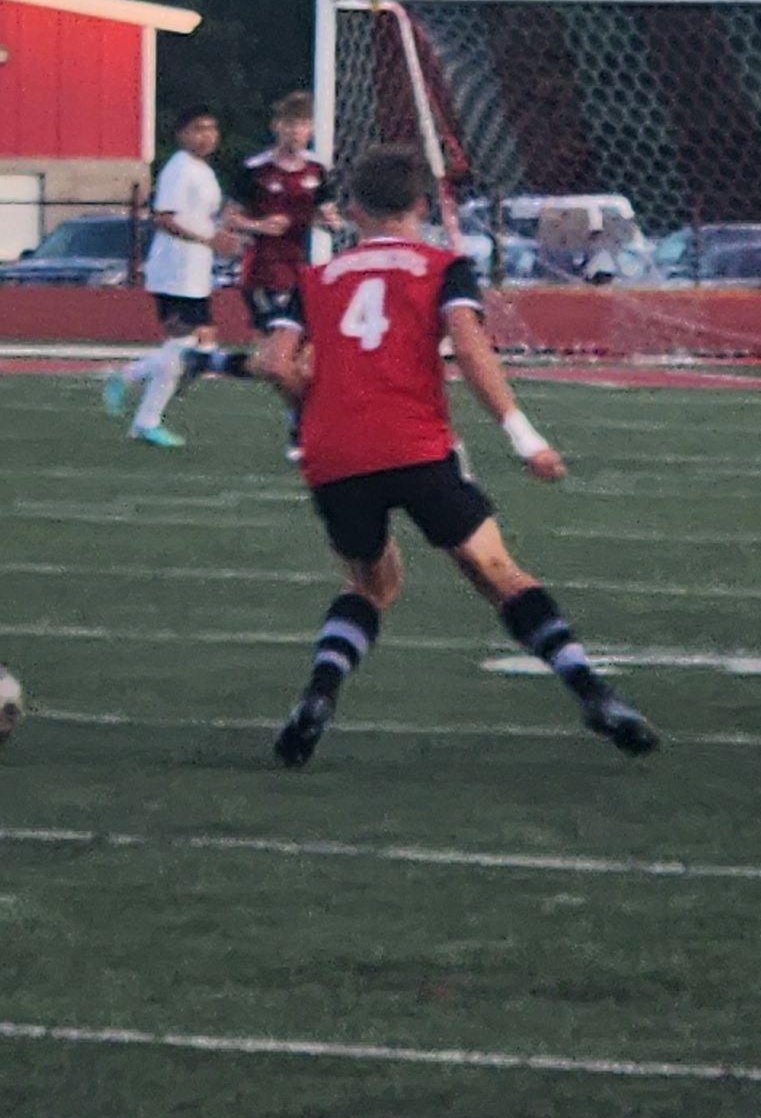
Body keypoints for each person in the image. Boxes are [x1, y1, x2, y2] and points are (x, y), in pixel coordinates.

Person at [259, 143, 658, 767]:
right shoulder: (443, 266)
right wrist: (525, 437)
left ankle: (319, 693)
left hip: (335, 452)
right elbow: (471, 353)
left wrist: (305, 405)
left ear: (353, 209)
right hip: (416, 444)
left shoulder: (316, 279)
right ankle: (592, 691)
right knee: (498, 573)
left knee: (370, 585)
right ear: (421, 205)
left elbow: (273, 362)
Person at [196, 90, 330, 435]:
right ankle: (298, 424)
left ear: (310, 130)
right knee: (283, 358)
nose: (295, 132)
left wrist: (328, 220)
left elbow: (327, 213)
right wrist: (259, 226)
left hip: (302, 271)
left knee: (294, 358)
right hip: (264, 272)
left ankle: (211, 360)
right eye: (289, 125)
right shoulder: (256, 170)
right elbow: (228, 219)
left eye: (302, 125)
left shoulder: (318, 170)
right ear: (276, 127)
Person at [104, 108, 229, 450]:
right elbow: (163, 218)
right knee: (187, 347)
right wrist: (208, 241)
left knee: (196, 347)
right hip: (175, 268)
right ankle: (136, 398)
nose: (206, 135)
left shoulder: (202, 170)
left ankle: (137, 400)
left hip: (196, 268)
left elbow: (202, 217)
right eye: (198, 128)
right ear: (182, 134)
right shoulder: (178, 167)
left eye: (211, 128)